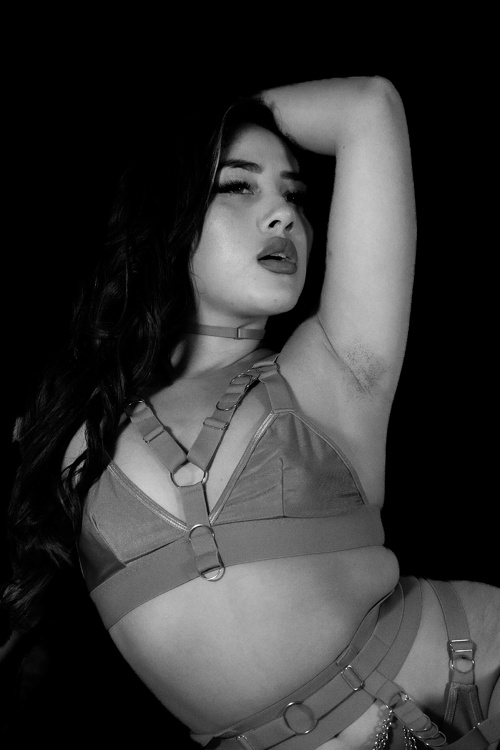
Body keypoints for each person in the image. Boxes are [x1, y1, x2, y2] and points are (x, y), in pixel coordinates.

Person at [2, 76, 499, 749]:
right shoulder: (74, 423)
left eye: (294, 195)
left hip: (476, 678)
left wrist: (230, 115)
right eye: (238, 186)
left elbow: (369, 106)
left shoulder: (331, 369)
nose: (283, 216)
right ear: (168, 213)